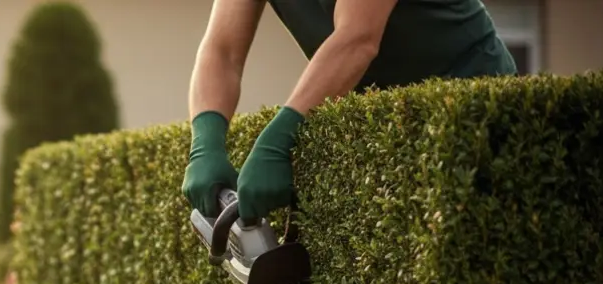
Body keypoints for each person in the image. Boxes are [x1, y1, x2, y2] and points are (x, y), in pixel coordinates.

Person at [182, 0, 518, 222]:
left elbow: (357, 37)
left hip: (476, 112)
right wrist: (206, 140)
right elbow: (221, 51)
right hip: (390, 125)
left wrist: (278, 140)